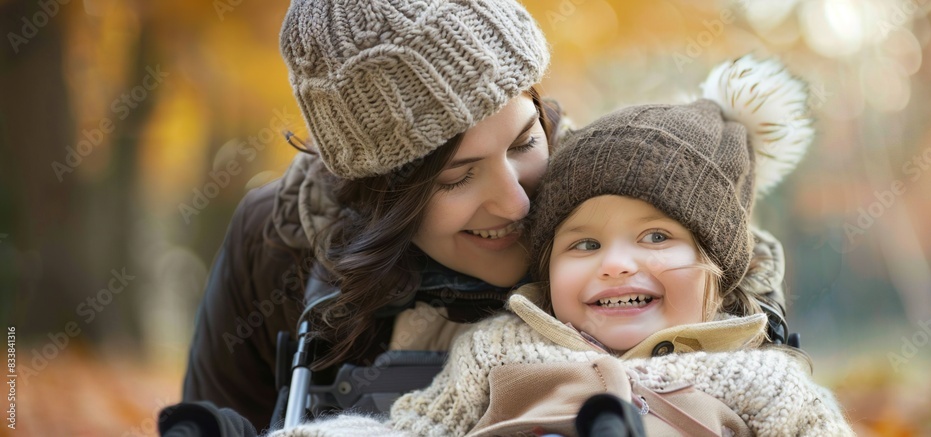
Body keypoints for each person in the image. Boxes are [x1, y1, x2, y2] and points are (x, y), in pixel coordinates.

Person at [174, 0, 788, 433]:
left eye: (525, 142)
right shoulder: (283, 242)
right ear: (381, 194)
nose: (517, 203)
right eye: (457, 178)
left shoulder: (625, 206)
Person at [268, 56, 853, 436]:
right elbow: (412, 428)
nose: (617, 264)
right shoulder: (501, 349)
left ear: (717, 271)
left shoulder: (760, 377)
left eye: (656, 237)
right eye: (584, 244)